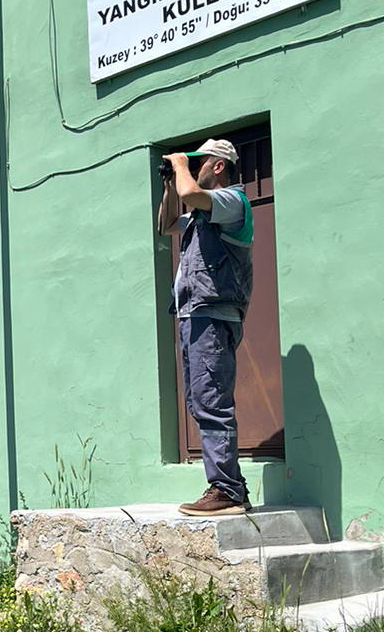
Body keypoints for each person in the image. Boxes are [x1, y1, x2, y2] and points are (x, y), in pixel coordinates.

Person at [157, 139, 254, 516]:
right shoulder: (200, 216)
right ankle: (227, 485)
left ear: (217, 166)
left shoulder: (233, 201)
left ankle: (228, 490)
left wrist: (180, 166)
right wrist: (168, 182)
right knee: (201, 402)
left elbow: (191, 193)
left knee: (212, 400)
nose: (191, 167)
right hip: (194, 313)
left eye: (198, 162)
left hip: (213, 314)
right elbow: (166, 224)